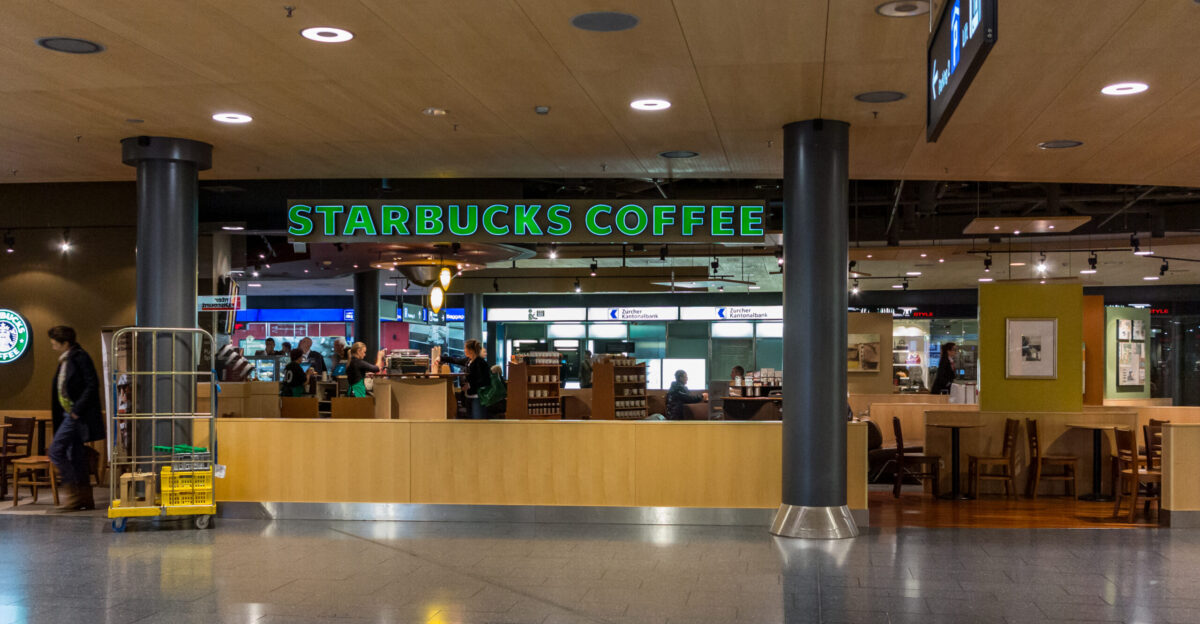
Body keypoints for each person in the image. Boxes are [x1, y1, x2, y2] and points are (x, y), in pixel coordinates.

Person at [47, 326, 104, 512]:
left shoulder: (79, 357)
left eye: (55, 342)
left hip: (74, 414)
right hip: (69, 414)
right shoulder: (66, 359)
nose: (52, 345)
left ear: (65, 343)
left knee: (56, 451)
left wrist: (77, 410)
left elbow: (91, 384)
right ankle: (84, 499)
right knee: (76, 455)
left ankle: (73, 495)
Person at [461, 339, 491, 419]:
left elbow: (485, 381)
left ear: (471, 350)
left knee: (478, 422)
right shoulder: (469, 361)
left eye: (465, 348)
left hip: (478, 397)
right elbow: (455, 360)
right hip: (470, 396)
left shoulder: (480, 363)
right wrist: (440, 358)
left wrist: (469, 385)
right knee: (472, 423)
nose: (464, 350)